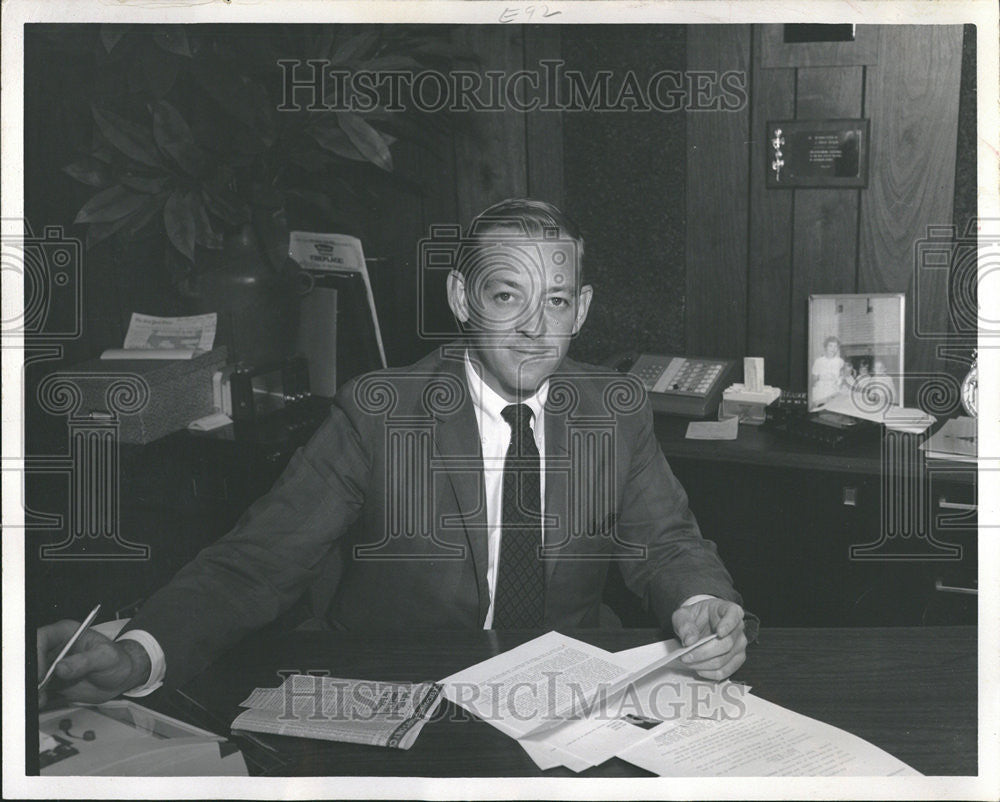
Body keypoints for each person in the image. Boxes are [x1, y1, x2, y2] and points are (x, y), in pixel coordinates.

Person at [37, 199, 752, 707]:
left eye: (557, 302)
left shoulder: (614, 409)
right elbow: (258, 562)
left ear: (584, 309)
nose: (536, 329)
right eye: (509, 296)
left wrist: (700, 605)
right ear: (461, 297)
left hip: (567, 693)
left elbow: (664, 546)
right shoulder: (378, 411)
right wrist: (137, 653)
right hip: (398, 689)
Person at [811, 336, 845, 405]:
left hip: (833, 391)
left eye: (835, 346)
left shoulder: (840, 361)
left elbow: (841, 377)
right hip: (820, 392)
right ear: (825, 347)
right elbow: (813, 379)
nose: (833, 349)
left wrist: (839, 382)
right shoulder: (818, 361)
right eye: (830, 346)